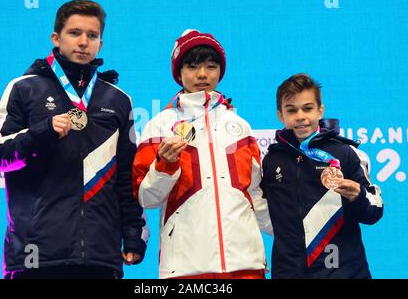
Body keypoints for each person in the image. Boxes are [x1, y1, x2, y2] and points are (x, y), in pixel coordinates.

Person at [0, 0, 148, 279]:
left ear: (100, 43)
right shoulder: (24, 89)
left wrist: (134, 234)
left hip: (100, 258)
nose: (83, 42)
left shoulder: (118, 100)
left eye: (92, 35)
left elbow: (127, 177)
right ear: (56, 38)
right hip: (34, 257)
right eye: (74, 33)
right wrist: (42, 132)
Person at [132, 29, 272, 279]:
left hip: (246, 263)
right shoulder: (161, 124)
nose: (202, 75)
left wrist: (297, 234)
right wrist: (166, 165)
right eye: (192, 66)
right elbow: (146, 198)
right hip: (186, 266)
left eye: (211, 66)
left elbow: (256, 195)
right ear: (179, 72)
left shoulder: (240, 126)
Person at [260, 73, 383, 278]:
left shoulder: (346, 153)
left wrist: (358, 195)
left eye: (307, 108)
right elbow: (263, 211)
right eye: (291, 110)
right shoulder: (272, 160)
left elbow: (374, 211)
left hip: (344, 272)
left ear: (320, 110)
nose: (300, 116)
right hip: (289, 272)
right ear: (280, 115)